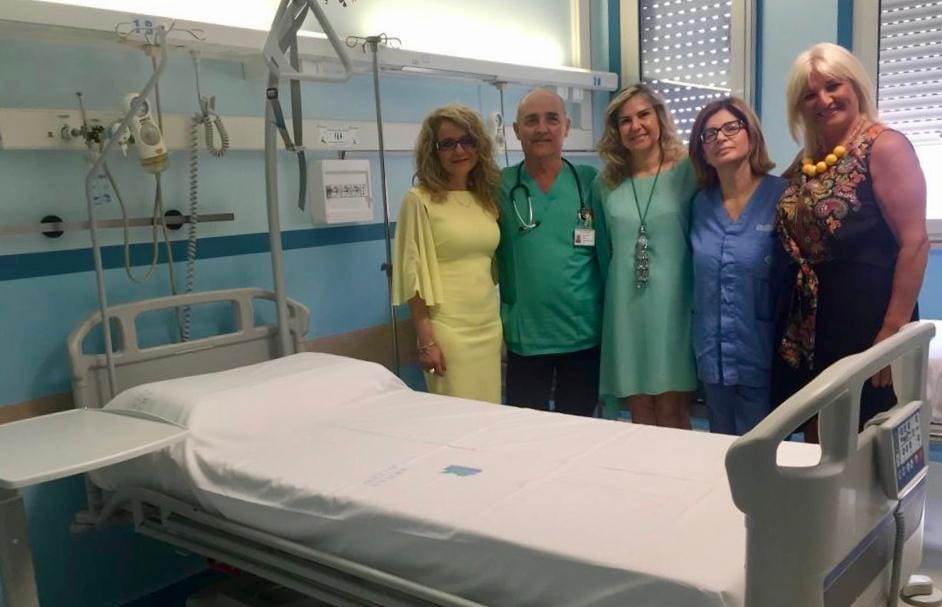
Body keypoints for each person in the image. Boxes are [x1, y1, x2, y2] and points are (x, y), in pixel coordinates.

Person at [773, 42, 928, 440]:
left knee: (865, 443)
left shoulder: (886, 146)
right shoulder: (808, 158)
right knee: (818, 440)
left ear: (855, 86)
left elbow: (915, 244)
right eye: (810, 94)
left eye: (833, 86)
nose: (823, 100)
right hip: (814, 320)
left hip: (870, 320)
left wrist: (890, 336)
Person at [593, 84, 698, 428]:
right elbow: (603, 249)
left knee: (671, 409)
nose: (635, 126)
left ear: (659, 118)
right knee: (639, 409)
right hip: (625, 306)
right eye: (625, 120)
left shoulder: (688, 171)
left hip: (674, 305)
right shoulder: (606, 183)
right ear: (615, 130)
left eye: (643, 115)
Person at [496, 89, 604, 417]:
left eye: (552, 119)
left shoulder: (589, 181)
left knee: (579, 429)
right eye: (531, 121)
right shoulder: (499, 186)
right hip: (527, 335)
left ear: (566, 127)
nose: (542, 128)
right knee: (526, 430)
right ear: (517, 131)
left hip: (582, 334)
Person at [688, 97, 787, 435]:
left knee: (764, 453)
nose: (721, 137)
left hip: (764, 356)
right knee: (718, 451)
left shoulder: (783, 198)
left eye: (731, 127)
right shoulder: (698, 205)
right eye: (710, 133)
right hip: (712, 360)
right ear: (702, 150)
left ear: (751, 135)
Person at [391, 104, 503, 403]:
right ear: (433, 151)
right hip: (449, 331)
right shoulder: (419, 200)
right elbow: (412, 276)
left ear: (479, 146)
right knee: (459, 418)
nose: (459, 151)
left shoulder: (485, 199)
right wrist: (426, 340)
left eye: (467, 141)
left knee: (491, 416)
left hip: (489, 326)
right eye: (448, 144)